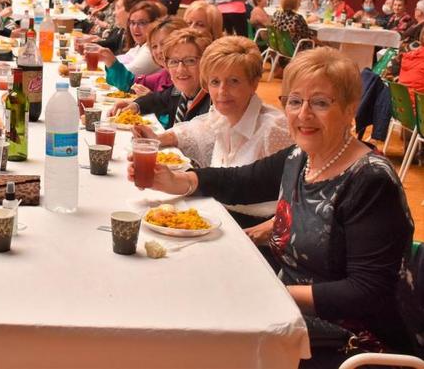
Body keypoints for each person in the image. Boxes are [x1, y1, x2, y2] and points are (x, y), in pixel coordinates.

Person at [128, 47, 413, 364]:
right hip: (285, 314)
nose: (303, 114)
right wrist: (178, 181)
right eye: (294, 101)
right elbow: (242, 180)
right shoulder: (302, 156)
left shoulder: (370, 181)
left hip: (348, 342)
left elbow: (367, 291)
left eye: (320, 103)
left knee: (192, 338)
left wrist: (267, 291)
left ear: (350, 109)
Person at [132, 36, 293, 228]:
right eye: (215, 82)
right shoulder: (221, 115)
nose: (222, 91)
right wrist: (158, 138)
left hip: (252, 230)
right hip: (218, 216)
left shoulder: (274, 128)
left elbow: (296, 202)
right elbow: (195, 129)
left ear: (254, 83)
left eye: (233, 81)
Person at [111, 29, 211, 129]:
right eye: (174, 62)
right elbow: (156, 99)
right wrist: (135, 105)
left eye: (190, 61)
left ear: (205, 63)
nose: (180, 69)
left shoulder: (212, 101)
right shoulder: (177, 91)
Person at [103, 17, 185, 94]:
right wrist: (111, 62)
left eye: (164, 44)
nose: (159, 51)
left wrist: (150, 99)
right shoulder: (164, 75)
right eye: (154, 46)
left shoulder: (186, 77)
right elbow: (131, 83)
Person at [115, 1, 167, 75]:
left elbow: (123, 75)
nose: (135, 28)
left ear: (155, 24)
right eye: (132, 23)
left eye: (142, 23)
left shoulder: (151, 50)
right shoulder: (138, 46)